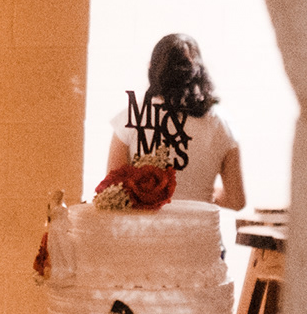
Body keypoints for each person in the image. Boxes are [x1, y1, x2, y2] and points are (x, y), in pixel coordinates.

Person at [105, 32, 246, 209]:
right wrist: (204, 192)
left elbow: (112, 192)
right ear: (199, 72)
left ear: (152, 69)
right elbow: (236, 201)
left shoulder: (130, 117)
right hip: (200, 226)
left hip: (146, 226)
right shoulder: (222, 123)